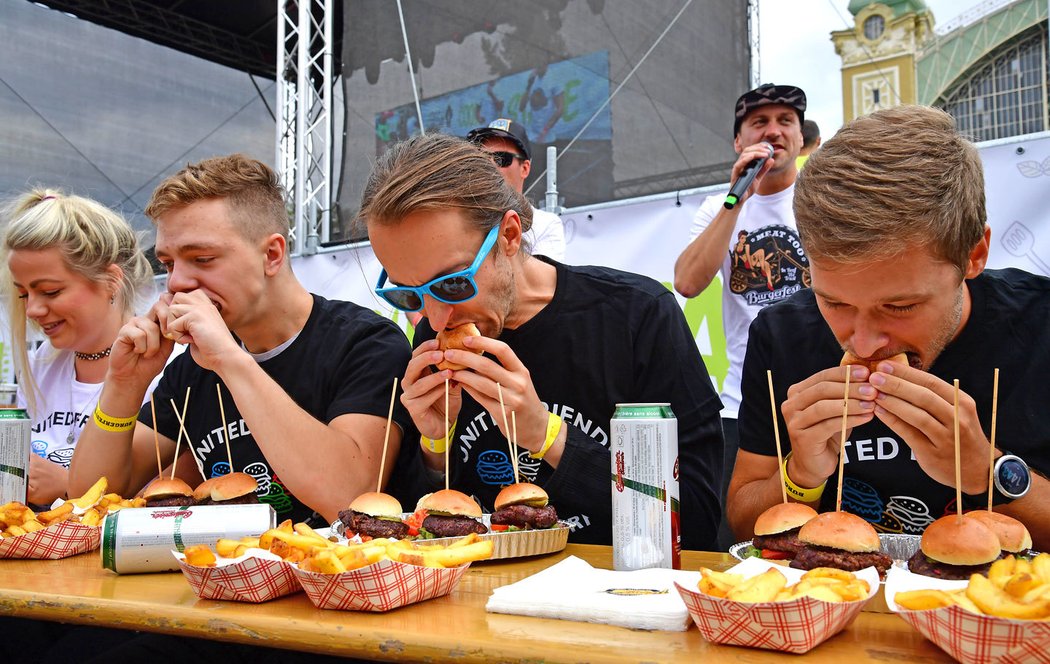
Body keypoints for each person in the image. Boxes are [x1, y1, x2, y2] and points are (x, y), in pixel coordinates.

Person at [361, 133, 724, 549]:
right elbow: (416, 531)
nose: (437, 316)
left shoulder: (636, 315)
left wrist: (548, 436)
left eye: (455, 283)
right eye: (409, 293)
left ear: (509, 236)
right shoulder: (431, 331)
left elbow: (697, 522)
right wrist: (435, 445)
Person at [728, 105, 1050, 551]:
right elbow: (744, 525)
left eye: (900, 306)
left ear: (974, 256)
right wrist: (800, 473)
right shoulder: (782, 335)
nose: (862, 342)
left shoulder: (1039, 325)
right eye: (834, 301)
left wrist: (988, 473)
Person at [68, 154, 412, 525]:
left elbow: (346, 499)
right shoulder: (192, 368)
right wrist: (123, 385)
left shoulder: (366, 343)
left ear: (271, 254)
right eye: (168, 264)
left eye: (202, 258)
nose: (176, 283)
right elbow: (90, 498)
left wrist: (231, 361)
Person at [673, 83, 810, 548]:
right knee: (740, 539)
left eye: (785, 122)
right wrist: (738, 199)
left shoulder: (824, 198)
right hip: (742, 405)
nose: (774, 131)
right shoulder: (720, 207)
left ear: (801, 136)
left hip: (825, 394)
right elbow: (688, 282)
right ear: (739, 141)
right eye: (760, 123)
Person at [0, 190, 155, 506]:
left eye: (50, 291)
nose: (32, 310)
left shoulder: (168, 368)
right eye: (23, 294)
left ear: (111, 281)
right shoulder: (38, 363)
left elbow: (169, 496)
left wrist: (68, 486)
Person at [467, 118, 566, 261]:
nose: (490, 166)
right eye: (482, 159)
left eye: (501, 158)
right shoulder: (464, 218)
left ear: (525, 168)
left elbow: (539, 281)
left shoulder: (546, 224)